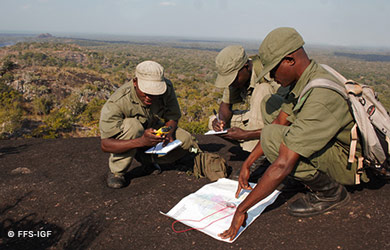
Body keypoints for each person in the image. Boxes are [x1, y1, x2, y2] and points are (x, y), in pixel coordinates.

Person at [219, 27, 368, 241]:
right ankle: (304, 176)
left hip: (349, 163)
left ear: (289, 60)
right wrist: (248, 163)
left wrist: (242, 209)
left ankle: (331, 193)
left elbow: (282, 162)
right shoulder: (306, 78)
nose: (271, 77)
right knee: (272, 108)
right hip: (332, 148)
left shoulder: (320, 95)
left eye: (272, 70)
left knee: (275, 141)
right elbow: (280, 121)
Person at [99, 60, 199, 189]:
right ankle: (117, 172)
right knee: (132, 126)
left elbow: (173, 116)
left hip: (152, 130)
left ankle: (148, 160)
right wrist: (141, 141)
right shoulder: (117, 102)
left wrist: (168, 131)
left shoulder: (167, 88)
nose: (150, 97)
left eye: (155, 93)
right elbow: (105, 145)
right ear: (135, 82)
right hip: (131, 137)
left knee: (185, 140)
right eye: (146, 92)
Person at [209, 45, 287, 152]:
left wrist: (246, 135)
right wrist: (220, 121)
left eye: (234, 78)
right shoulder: (236, 81)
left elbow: (286, 116)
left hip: (278, 120)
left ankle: (252, 152)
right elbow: (225, 105)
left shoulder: (268, 72)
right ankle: (250, 140)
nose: (232, 82)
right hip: (254, 118)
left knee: (262, 89)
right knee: (212, 121)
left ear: (246, 66)